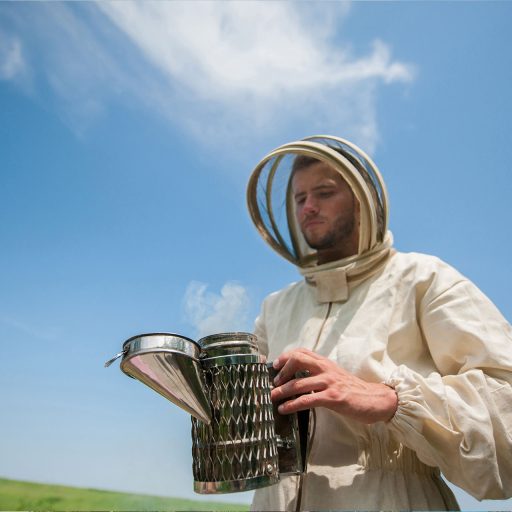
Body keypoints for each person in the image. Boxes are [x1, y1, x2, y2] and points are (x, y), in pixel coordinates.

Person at [245, 135, 512, 511]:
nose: (308, 207)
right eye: (299, 199)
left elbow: (506, 401)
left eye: (323, 192)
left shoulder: (424, 278)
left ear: (362, 201)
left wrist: (390, 400)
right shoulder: (275, 307)